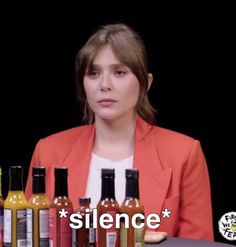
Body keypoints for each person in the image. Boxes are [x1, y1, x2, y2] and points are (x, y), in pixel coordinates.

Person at [25, 23, 213, 241]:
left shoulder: (185, 153)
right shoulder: (48, 150)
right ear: (83, 84)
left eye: (119, 72)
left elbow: (198, 245)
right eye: (93, 73)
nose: (105, 84)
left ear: (146, 83)